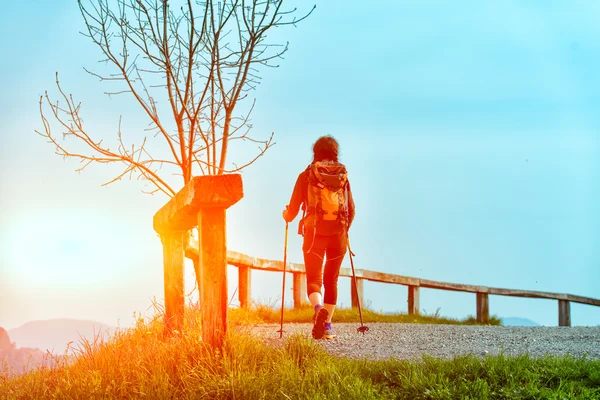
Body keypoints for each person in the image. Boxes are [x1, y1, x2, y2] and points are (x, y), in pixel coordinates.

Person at [282, 135, 355, 339]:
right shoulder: (343, 177)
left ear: (315, 152)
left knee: (314, 279)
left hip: (314, 233)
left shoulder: (306, 175)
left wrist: (285, 215)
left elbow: (293, 210)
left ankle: (317, 308)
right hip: (338, 235)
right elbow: (352, 209)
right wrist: (344, 229)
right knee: (331, 280)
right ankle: (328, 327)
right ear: (335, 153)